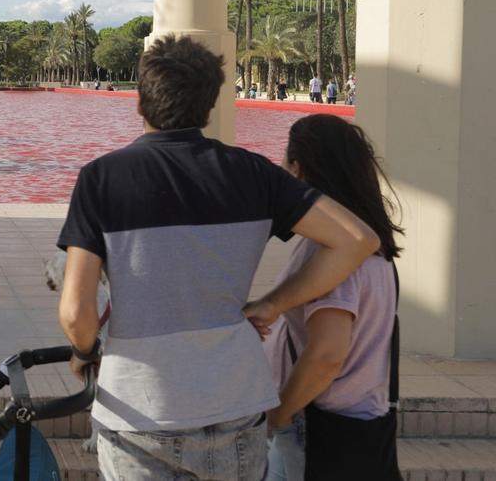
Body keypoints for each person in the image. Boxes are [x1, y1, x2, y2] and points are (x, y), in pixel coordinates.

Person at [56, 35, 379, 481]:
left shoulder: (100, 179)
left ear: (140, 103)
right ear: (208, 109)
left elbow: (76, 312)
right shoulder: (254, 173)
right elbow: (356, 239)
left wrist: (84, 350)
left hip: (140, 410)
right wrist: (273, 304)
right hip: (236, 403)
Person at [263, 114, 402, 480]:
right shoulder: (375, 244)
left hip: (318, 429)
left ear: (299, 169)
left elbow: (327, 353)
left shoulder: (333, 251)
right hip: (361, 425)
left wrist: (278, 415)